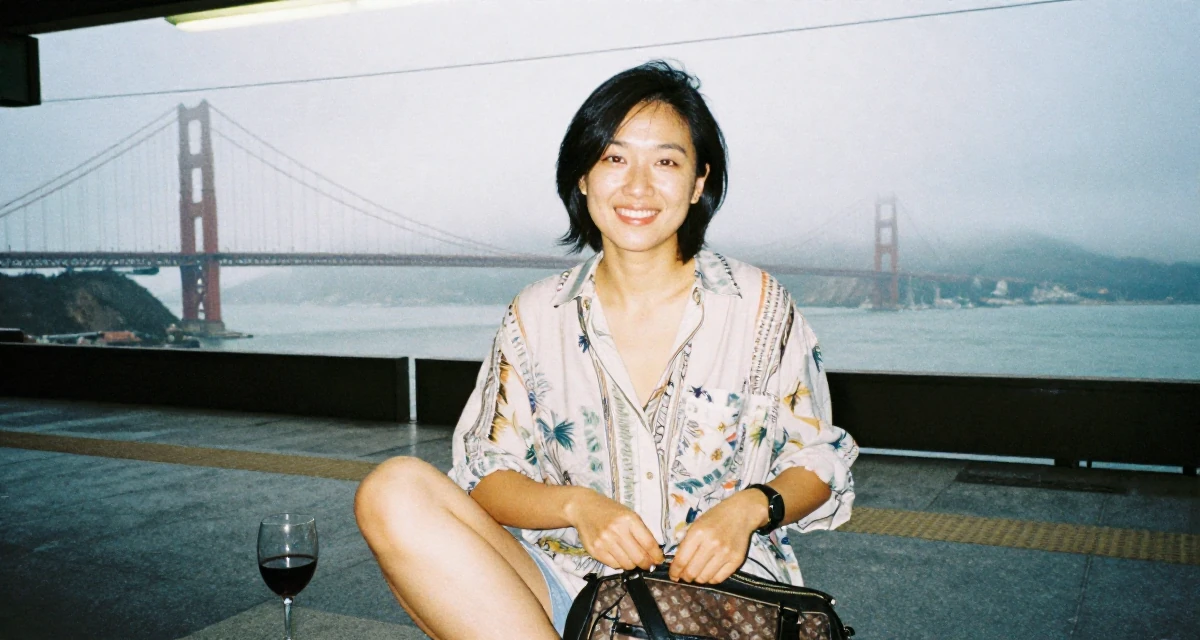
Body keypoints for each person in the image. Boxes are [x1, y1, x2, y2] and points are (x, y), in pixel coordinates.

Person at [355, 60, 858, 640]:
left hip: (719, 603)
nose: (638, 187)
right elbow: (487, 474)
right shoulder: (535, 316)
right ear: (582, 178)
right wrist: (578, 507)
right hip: (570, 587)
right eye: (614, 159)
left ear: (698, 183)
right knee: (393, 491)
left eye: (665, 162)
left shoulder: (759, 306)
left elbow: (818, 458)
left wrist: (747, 509)